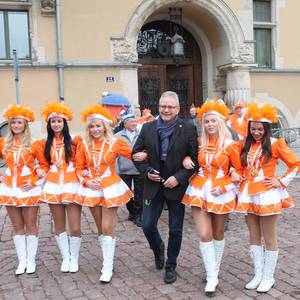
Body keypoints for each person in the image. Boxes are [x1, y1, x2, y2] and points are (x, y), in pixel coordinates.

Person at [228, 102, 300, 293]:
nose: (257, 132)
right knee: (253, 236)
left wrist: (281, 181)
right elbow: (233, 161)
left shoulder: (276, 144)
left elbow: (296, 164)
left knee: (269, 237)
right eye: (253, 129)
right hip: (248, 194)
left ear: (267, 129)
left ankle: (269, 277)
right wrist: (235, 171)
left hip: (267, 194)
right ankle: (258, 274)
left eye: (260, 129)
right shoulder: (245, 144)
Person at [132, 91, 198, 284]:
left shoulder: (187, 128)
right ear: (158, 107)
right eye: (163, 106)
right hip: (153, 185)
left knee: (175, 229)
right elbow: (135, 154)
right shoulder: (148, 128)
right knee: (147, 224)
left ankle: (171, 265)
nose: (166, 110)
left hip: (175, 187)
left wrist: (179, 178)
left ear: (177, 109)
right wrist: (147, 171)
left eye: (170, 107)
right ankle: (158, 249)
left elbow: (195, 159)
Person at [74, 104, 145, 283]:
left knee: (107, 226)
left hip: (111, 187)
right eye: (92, 126)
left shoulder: (115, 143)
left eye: (98, 125)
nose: (95, 129)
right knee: (100, 228)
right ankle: (107, 258)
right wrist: (86, 180)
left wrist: (146, 154)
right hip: (92, 188)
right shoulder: (84, 145)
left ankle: (107, 266)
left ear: (105, 126)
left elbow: (133, 155)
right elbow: (79, 167)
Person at [182, 99, 239, 296]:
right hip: (198, 189)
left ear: (221, 122)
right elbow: (188, 157)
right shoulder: (200, 143)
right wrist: (186, 158)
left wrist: (223, 187)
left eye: (213, 121)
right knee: (204, 234)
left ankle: (214, 268)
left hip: (220, 192)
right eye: (206, 122)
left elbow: (240, 173)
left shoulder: (232, 145)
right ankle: (212, 275)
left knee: (218, 232)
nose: (210, 125)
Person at [0, 104, 47, 274]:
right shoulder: (3, 143)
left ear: (25, 124)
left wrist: (34, 181)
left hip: (28, 189)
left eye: (19, 122)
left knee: (31, 225)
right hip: (9, 188)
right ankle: (22, 261)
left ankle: (31, 260)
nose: (16, 126)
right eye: (13, 123)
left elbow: (44, 165)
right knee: (16, 226)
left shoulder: (35, 144)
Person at [36, 101, 82, 273]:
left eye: (59, 121)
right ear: (49, 124)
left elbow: (81, 162)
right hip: (54, 185)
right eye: (53, 121)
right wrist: (39, 169)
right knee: (59, 225)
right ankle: (66, 257)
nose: (56, 124)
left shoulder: (75, 142)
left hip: (72, 185)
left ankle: (75, 258)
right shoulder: (43, 144)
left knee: (75, 226)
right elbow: (43, 164)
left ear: (65, 123)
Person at [115, 113, 144, 227]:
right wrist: (116, 170)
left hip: (139, 169)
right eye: (131, 121)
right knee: (126, 194)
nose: (134, 123)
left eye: (135, 121)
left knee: (139, 193)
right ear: (125, 123)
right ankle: (131, 211)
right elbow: (115, 154)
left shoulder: (141, 134)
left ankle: (138, 215)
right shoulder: (117, 136)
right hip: (124, 169)